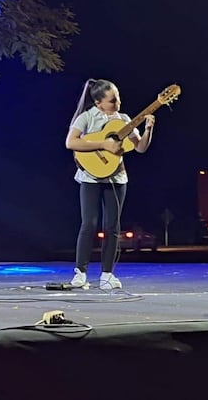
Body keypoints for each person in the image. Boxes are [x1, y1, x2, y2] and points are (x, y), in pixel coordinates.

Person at [64, 78, 154, 290]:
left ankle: (107, 274)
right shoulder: (86, 117)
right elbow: (71, 142)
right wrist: (103, 143)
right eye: (112, 101)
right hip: (91, 177)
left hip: (116, 177)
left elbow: (140, 147)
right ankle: (80, 272)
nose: (118, 104)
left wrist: (148, 129)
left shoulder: (124, 120)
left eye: (118, 99)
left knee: (112, 226)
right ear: (98, 103)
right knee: (89, 224)